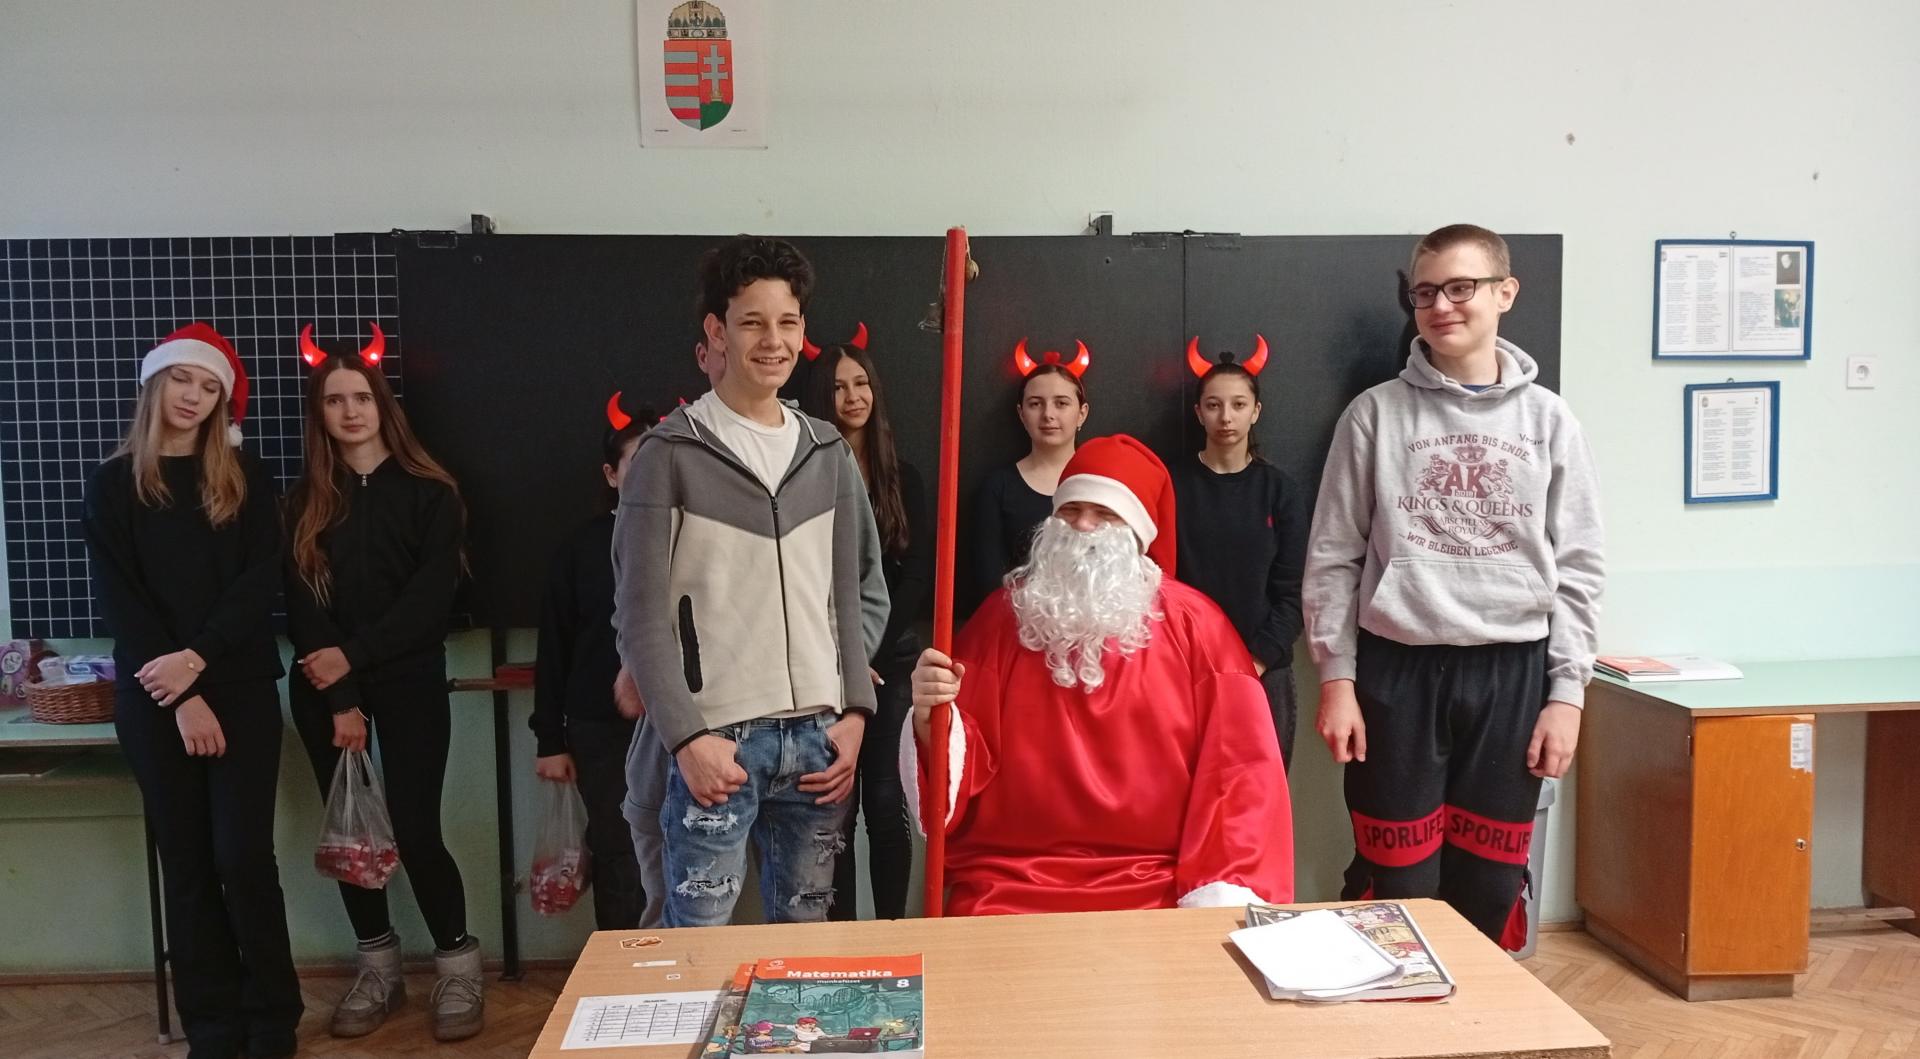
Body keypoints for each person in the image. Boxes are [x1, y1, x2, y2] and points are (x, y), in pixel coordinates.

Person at [1303, 224, 1605, 948]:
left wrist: (1567, 694)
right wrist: (1337, 678)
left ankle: (1479, 1010)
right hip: (1397, 675)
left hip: (1512, 674)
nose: (1441, 306)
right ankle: (1394, 1008)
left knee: (1490, 882)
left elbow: (1580, 565)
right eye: (1425, 292)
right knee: (1395, 879)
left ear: (1506, 293)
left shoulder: (1549, 419)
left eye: (1461, 287)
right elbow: (1333, 556)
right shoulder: (1374, 414)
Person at [613, 236, 884, 927]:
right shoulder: (668, 453)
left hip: (819, 742)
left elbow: (854, 593)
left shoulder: (826, 450)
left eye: (787, 322)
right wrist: (687, 739)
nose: (773, 341)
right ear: (717, 331)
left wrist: (854, 713)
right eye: (752, 322)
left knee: (806, 943)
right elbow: (641, 617)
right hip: (718, 741)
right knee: (696, 940)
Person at [908, 434, 1293, 916]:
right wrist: (930, 720)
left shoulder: (1199, 629)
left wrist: (1217, 893)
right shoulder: (1002, 620)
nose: (1084, 526)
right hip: (1010, 882)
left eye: (1105, 514)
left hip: (1157, 882)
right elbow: (962, 756)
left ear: (1137, 533)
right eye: (1071, 510)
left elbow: (1240, 775)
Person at [82, 324, 301, 1059]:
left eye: (210, 388)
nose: (194, 397)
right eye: (183, 379)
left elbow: (258, 582)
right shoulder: (112, 485)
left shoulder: (246, 475)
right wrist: (178, 693)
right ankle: (212, 1024)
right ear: (156, 383)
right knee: (186, 862)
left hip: (238, 687)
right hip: (154, 699)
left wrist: (198, 662)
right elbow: (121, 599)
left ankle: (272, 1017)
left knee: (243, 857)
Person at [283, 330, 484, 1040]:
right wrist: (341, 698)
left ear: (382, 405)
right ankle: (378, 971)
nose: (350, 411)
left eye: (361, 397)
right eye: (334, 400)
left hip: (409, 685)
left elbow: (427, 604)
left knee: (417, 829)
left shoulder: (432, 494)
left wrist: (355, 656)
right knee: (352, 838)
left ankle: (457, 969)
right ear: (319, 413)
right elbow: (303, 611)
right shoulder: (303, 503)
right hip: (326, 694)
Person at [802, 341, 930, 920]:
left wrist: (868, 654)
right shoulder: (804, 478)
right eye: (838, 387)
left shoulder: (903, 477)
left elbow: (917, 576)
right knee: (835, 806)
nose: (853, 397)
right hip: (821, 662)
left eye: (861, 384)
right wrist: (843, 658)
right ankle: (841, 939)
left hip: (891, 659)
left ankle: (890, 932)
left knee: (884, 797)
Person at [529, 396, 658, 930]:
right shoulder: (581, 549)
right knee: (617, 847)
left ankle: (683, 959)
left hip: (684, 726)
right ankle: (623, 962)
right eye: (639, 462)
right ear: (611, 474)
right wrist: (550, 740)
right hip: (601, 728)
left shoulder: (696, 540)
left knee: (687, 847)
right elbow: (554, 648)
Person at [1172, 343, 1310, 769]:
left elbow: (1294, 593)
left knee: (1259, 794)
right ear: (1198, 413)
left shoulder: (1280, 490)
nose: (1226, 417)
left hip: (1263, 672)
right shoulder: (1171, 486)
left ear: (1256, 411)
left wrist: (1253, 663)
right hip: (1184, 670)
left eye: (1238, 405)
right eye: (1214, 405)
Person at [966, 351, 1089, 611]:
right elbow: (990, 585)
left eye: (1061, 403)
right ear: (1021, 414)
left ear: (1082, 413)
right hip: (1018, 624)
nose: (1048, 414)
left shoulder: (1103, 482)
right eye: (1035, 404)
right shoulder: (998, 487)